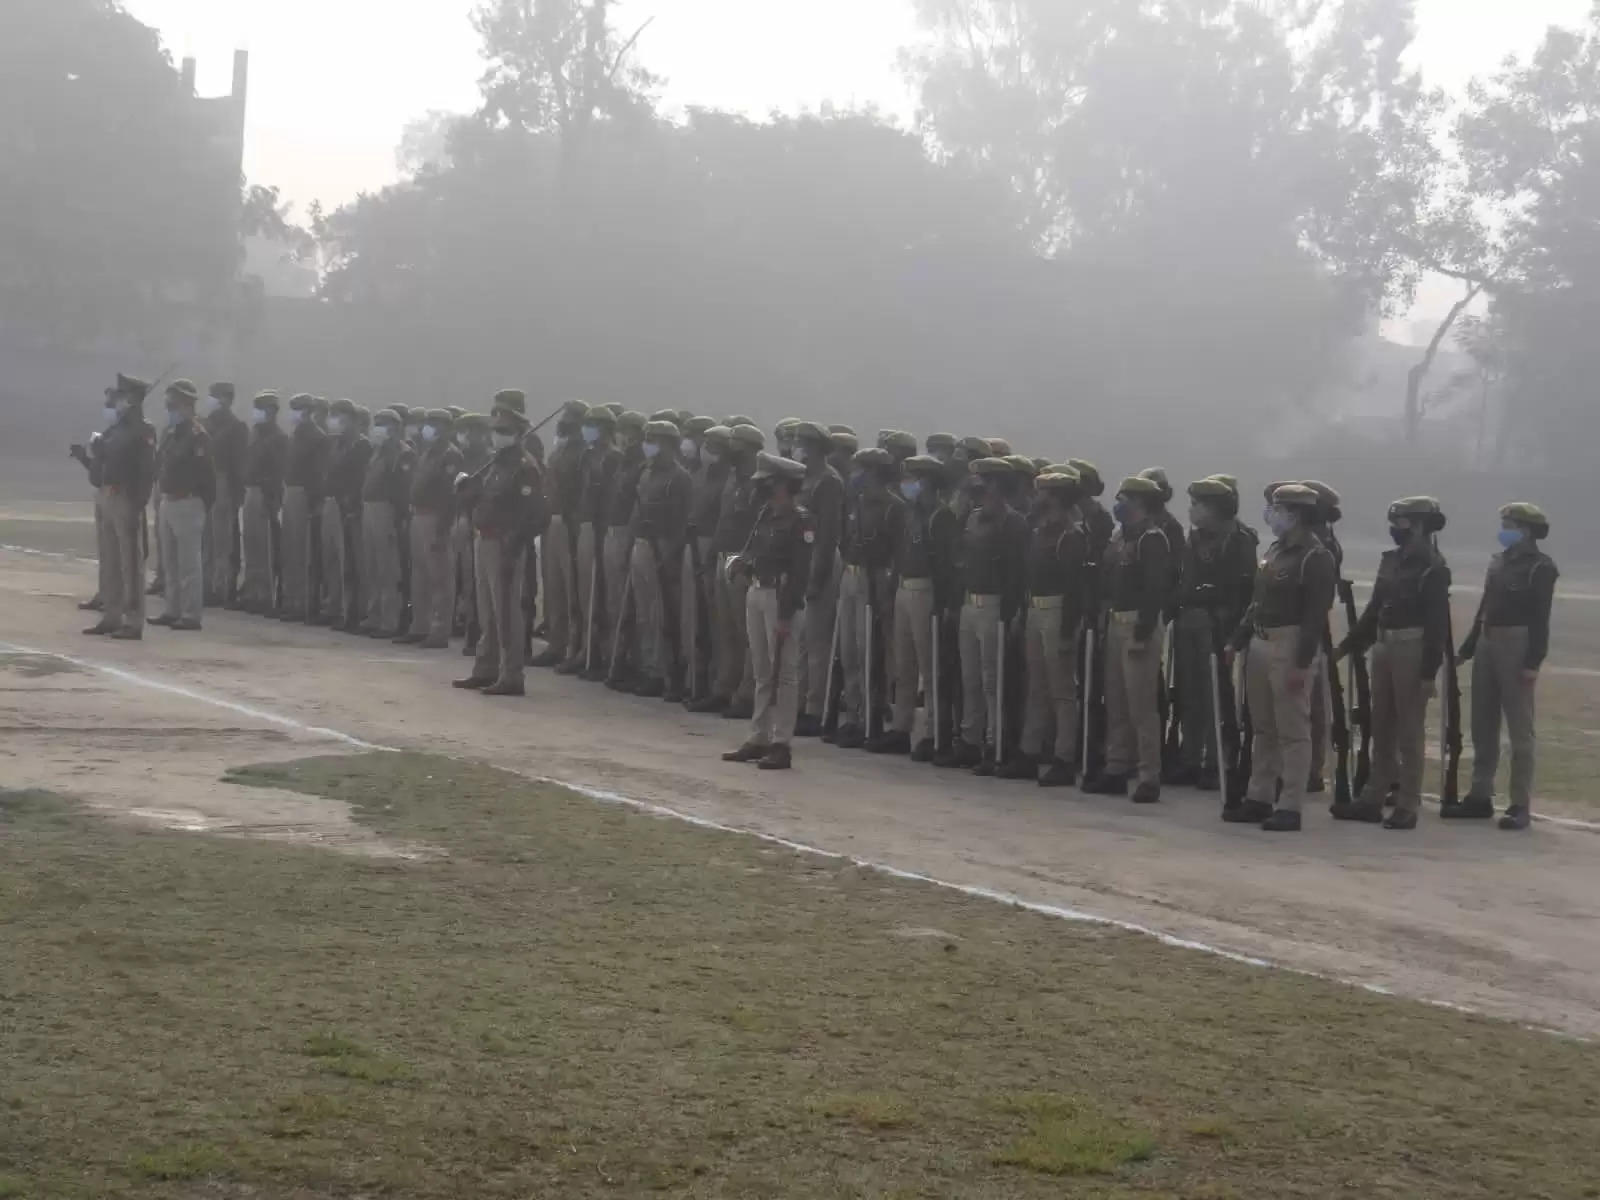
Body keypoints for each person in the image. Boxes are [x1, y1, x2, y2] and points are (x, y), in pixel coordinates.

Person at [1333, 497, 1451, 831]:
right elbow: (1374, 610)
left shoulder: (1433, 567)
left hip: (1411, 647)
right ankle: (1372, 798)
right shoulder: (1392, 561)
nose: (1394, 529)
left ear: (1417, 525)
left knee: (1409, 732)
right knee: (1380, 726)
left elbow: (1437, 626)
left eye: (1400, 522)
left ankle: (1407, 804)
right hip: (1384, 644)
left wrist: (1429, 672)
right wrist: (1347, 646)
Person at [1226, 483, 1337, 832]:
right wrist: (1237, 639)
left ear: (1298, 514)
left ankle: (1290, 804)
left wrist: (1303, 665)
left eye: (1280, 509)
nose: (1272, 515)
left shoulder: (1315, 558)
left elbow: (1314, 617)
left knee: (1292, 728)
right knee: (1263, 727)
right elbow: (1257, 602)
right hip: (1260, 640)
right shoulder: (1274, 550)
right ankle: (1259, 796)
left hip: (1290, 643)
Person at [1453, 503, 1559, 831]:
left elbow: (1541, 618)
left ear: (1526, 529)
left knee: (1519, 729)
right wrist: (1469, 646)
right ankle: (1480, 795)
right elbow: (1485, 607)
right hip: (1488, 639)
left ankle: (1519, 804)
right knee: (1482, 723)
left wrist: (1533, 661)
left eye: (1509, 523)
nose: (1503, 528)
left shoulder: (1540, 566)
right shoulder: (1498, 562)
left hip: (1518, 642)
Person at [1082, 476, 1172, 802]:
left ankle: (1149, 774)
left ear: (1142, 504)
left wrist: (1143, 632)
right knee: (1116, 702)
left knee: (1141, 705)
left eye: (1126, 499)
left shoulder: (1152, 539)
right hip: (1116, 622)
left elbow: (1155, 590)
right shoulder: (1121, 537)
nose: (1119, 503)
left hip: (1138, 623)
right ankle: (1116, 767)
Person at [722, 452, 814, 770]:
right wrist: (742, 565)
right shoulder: (766, 513)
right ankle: (758, 736)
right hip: (757, 590)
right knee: (761, 669)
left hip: (779, 596)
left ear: (783, 485)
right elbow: (753, 548)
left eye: (769, 483)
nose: (763, 488)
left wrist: (786, 615)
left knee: (784, 673)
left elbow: (800, 573)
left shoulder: (799, 520)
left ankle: (781, 742)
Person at [453, 390, 548, 696]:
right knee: (487, 611)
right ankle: (486, 667)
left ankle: (511, 673)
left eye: (504, 431)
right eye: (495, 430)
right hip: (485, 539)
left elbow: (534, 514)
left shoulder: (524, 465)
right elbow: (485, 500)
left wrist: (514, 544)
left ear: (519, 433)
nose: (497, 435)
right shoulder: (498, 463)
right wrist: (466, 490)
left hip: (505, 543)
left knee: (506, 611)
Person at [937, 457, 1026, 773]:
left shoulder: (1012, 523)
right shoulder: (972, 519)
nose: (980, 489)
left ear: (999, 487)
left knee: (992, 680)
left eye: (986, 483)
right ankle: (970, 739)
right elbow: (958, 561)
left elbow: (1016, 573)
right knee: (969, 678)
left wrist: (1011, 612)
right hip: (969, 602)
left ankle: (994, 742)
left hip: (994, 604)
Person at [1167, 477, 1258, 788]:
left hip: (1217, 624)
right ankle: (1190, 757)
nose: (1192, 510)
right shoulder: (1195, 537)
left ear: (1215, 508)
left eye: (1198, 504)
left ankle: (1217, 761)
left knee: (1215, 696)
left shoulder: (1239, 539)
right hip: (1189, 619)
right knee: (1189, 694)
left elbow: (1241, 590)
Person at [870, 454, 959, 759]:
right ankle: (901, 727)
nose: (909, 483)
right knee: (904, 665)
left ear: (929, 482)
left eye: (916, 478)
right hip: (904, 587)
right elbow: (899, 553)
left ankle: (933, 732)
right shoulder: (908, 513)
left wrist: (944, 604)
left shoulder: (941, 516)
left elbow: (946, 565)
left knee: (929, 665)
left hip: (926, 591)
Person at [1005, 469, 1090, 785]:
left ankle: (1064, 756)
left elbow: (1074, 588)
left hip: (1057, 610)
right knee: (1037, 686)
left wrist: (1068, 630)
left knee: (1061, 690)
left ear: (1055, 497)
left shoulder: (1071, 535)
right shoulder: (1040, 531)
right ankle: (1030, 750)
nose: (1038, 497)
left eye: (1044, 492)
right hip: (1036, 608)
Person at [834, 446, 906, 748]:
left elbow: (895, 553)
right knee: (849, 650)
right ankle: (852, 715)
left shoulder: (893, 507)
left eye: (864, 469)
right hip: (850, 573)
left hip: (874, 577)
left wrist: (884, 592)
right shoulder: (856, 503)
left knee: (870, 652)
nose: (858, 474)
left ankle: (870, 716)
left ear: (876, 472)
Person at [84, 374, 157, 640]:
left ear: (134, 398)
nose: (118, 400)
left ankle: (133, 619)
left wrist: (139, 502)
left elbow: (147, 470)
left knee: (130, 562)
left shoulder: (143, 429)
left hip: (125, 496)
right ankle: (111, 615)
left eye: (123, 395)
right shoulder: (116, 428)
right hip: (106, 493)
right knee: (111, 560)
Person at [703, 423, 767, 718]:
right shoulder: (732, 479)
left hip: (741, 561)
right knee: (725, 628)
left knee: (746, 633)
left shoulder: (760, 483)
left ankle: (746, 693)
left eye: (736, 445)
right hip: (723, 555)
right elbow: (723, 518)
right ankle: (724, 688)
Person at [629, 419, 693, 699]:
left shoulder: (679, 477)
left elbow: (682, 522)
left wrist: (669, 556)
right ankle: (649, 668)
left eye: (654, 439)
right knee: (644, 614)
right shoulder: (645, 472)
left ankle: (666, 672)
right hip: (641, 543)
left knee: (662, 615)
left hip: (663, 547)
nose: (649, 444)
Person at [792, 422, 846, 736]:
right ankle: (798, 702)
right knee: (800, 639)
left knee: (817, 640)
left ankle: (815, 708)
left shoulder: (828, 482)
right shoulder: (802, 477)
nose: (800, 448)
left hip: (820, 560)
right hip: (801, 558)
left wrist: (816, 578)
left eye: (805, 444)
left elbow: (827, 535)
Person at [149, 380, 216, 632]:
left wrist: (201, 504)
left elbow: (207, 477)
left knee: (189, 563)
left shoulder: (198, 436)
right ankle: (172, 609)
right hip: (168, 500)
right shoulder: (169, 433)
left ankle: (190, 614)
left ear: (188, 407)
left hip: (188, 501)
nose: (170, 410)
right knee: (170, 561)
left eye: (174, 405)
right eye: (168, 405)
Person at [561, 406, 623, 675]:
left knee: (600, 595)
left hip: (600, 528)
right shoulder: (587, 456)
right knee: (584, 593)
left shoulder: (612, 457)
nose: (586, 430)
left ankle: (598, 654)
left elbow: (609, 497)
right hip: (582, 524)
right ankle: (584, 649)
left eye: (592, 425)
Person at [397, 409, 463, 648]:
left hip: (436, 518)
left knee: (440, 577)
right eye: (428, 423)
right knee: (420, 575)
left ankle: (439, 630)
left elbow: (450, 496)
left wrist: (443, 529)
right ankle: (419, 625)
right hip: (419, 515)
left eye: (434, 424)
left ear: (446, 428)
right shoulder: (426, 453)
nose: (428, 428)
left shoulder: (450, 456)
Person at [531, 400, 589, 668]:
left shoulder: (583, 453)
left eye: (572, 416)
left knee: (571, 590)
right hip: (550, 520)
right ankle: (557, 643)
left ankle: (574, 648)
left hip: (570, 523)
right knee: (553, 588)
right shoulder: (559, 448)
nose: (565, 420)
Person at [1300, 479, 1346, 793]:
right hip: (1293, 625)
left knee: (1312, 703)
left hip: (1309, 628)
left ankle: (1312, 768)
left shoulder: (1323, 546)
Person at [681, 419, 730, 703]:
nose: (705, 450)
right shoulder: (700, 475)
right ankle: (695, 680)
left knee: (715, 621)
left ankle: (716, 683)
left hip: (713, 548)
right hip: (695, 544)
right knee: (694, 617)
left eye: (712, 445)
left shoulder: (727, 479)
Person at [601, 411, 648, 689]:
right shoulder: (623, 462)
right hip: (612, 529)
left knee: (629, 606)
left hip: (627, 534)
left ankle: (632, 661)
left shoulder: (641, 465)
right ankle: (615, 658)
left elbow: (636, 506)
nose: (625, 436)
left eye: (630, 431)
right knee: (614, 602)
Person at [316, 399, 370, 630]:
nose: (336, 420)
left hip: (348, 508)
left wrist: (352, 505)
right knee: (331, 560)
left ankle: (353, 612)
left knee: (350, 562)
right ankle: (334, 607)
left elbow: (358, 479)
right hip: (331, 503)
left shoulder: (362, 446)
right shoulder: (335, 444)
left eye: (341, 415)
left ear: (353, 419)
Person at [358, 409, 411, 638]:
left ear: (395, 428)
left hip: (386, 511)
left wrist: (399, 518)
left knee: (387, 568)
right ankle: (374, 615)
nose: (377, 428)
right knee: (372, 566)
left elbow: (402, 489)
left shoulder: (401, 453)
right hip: (369, 508)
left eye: (383, 424)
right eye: (376, 423)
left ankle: (389, 621)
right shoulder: (377, 451)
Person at [278, 394, 326, 622]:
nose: (294, 414)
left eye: (298, 409)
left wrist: (314, 502)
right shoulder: (296, 435)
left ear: (307, 412)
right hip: (291, 491)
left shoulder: (316, 437)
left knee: (302, 552)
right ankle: (291, 600)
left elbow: (317, 474)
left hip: (304, 495)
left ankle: (304, 604)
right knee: (291, 550)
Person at [239, 391, 288, 615]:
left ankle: (265, 595)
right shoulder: (255, 434)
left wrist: (272, 501)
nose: (257, 413)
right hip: (250, 492)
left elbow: (277, 472)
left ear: (271, 412)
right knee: (250, 547)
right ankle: (252, 591)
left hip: (264, 495)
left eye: (261, 409)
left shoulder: (278, 438)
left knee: (265, 547)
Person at [202, 382, 249, 608]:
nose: (210, 399)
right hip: (205, 483)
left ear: (227, 399)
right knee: (206, 540)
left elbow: (238, 464)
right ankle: (207, 584)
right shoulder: (205, 424)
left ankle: (222, 587)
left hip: (223, 484)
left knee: (222, 542)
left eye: (215, 396)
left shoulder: (236, 427)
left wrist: (237, 493)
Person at [69, 390, 114, 612]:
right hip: (101, 492)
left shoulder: (124, 436)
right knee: (105, 549)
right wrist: (84, 458)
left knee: (117, 551)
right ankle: (104, 593)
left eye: (111, 404)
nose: (107, 408)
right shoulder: (107, 435)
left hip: (114, 495)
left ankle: (117, 597)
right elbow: (98, 472)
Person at [451, 413, 492, 652]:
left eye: (470, 431)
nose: (465, 436)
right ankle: (468, 628)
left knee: (475, 583)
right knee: (464, 578)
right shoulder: (463, 458)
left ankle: (476, 633)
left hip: (476, 522)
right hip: (461, 518)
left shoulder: (488, 459)